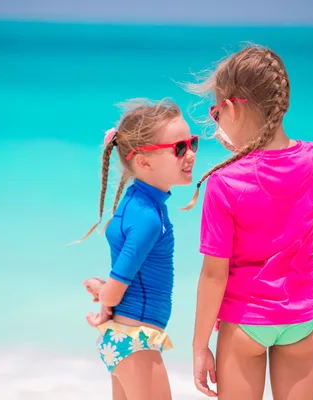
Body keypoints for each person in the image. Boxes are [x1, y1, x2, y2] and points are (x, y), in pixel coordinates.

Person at [183, 45, 313, 400]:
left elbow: (214, 275)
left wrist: (200, 346)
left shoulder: (224, 183)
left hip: (246, 322)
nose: (216, 122)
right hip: (301, 321)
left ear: (231, 108)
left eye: (216, 113)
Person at [71, 98, 198, 400]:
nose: (190, 153)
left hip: (123, 337)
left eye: (192, 143)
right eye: (179, 148)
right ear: (143, 161)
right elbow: (115, 291)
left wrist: (104, 293)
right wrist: (103, 291)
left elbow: (122, 280)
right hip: (135, 340)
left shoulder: (135, 202)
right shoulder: (149, 218)